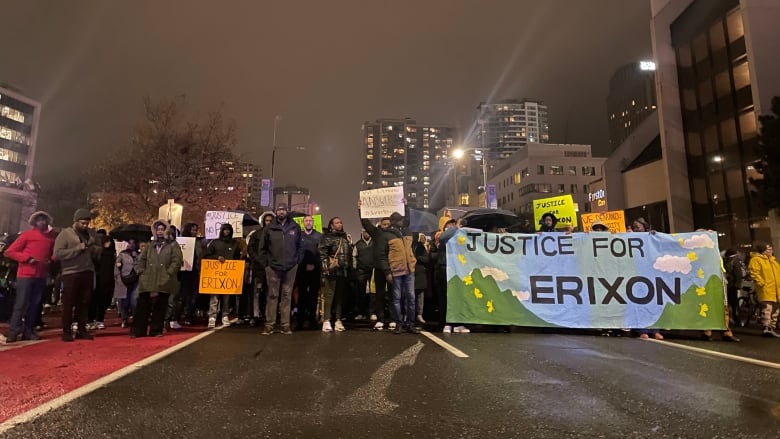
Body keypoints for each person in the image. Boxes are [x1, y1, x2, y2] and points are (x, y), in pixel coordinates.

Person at [3, 211, 56, 342]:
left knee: (35, 305)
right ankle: (13, 332)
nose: (42, 222)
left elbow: (53, 255)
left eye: (44, 219)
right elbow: (9, 252)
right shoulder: (26, 235)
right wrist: (26, 258)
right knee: (20, 304)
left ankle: (28, 331)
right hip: (25, 275)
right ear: (34, 222)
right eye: (39, 220)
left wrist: (51, 260)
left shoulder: (51, 239)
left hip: (41, 276)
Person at [53, 208, 100, 342]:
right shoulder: (65, 234)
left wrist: (96, 250)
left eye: (87, 223)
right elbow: (57, 254)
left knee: (84, 302)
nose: (85, 226)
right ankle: (66, 331)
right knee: (69, 303)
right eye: (82, 223)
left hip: (87, 271)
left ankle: (82, 329)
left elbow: (91, 251)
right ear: (75, 221)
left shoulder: (90, 235)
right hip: (71, 273)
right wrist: (77, 249)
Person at [132, 220, 183, 337]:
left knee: (160, 306)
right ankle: (138, 330)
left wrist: (168, 273)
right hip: (148, 279)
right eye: (158, 229)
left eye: (162, 229)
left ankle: (156, 330)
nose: (160, 232)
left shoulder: (173, 246)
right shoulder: (150, 246)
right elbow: (141, 260)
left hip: (164, 280)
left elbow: (177, 261)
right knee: (142, 306)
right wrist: (141, 272)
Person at [259, 203, 302, 335]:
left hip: (290, 267)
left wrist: (296, 262)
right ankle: (269, 325)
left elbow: (300, 246)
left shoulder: (295, 227)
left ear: (287, 211)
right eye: (279, 210)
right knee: (272, 296)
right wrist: (267, 264)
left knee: (287, 296)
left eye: (283, 210)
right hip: (273, 267)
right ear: (276, 212)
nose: (281, 212)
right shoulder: (269, 228)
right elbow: (262, 248)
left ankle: (285, 325)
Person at [377, 211, 419, 334]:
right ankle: (399, 324)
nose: (400, 221)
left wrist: (406, 206)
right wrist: (387, 272)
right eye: (398, 220)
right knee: (397, 298)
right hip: (396, 270)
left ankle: (410, 324)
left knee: (410, 298)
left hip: (409, 269)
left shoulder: (407, 232)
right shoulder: (386, 235)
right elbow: (382, 255)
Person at [359, 203, 394, 330]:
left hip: (392, 268)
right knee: (379, 295)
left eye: (388, 224)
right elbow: (366, 223)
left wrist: (404, 206)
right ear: (380, 225)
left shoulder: (395, 234)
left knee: (392, 295)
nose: (386, 226)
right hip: (379, 268)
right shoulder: (376, 233)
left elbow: (405, 222)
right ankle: (381, 319)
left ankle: (392, 319)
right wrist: (361, 208)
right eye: (384, 224)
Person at [435, 218, 470, 333]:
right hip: (444, 269)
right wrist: (456, 227)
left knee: (457, 296)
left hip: (456, 270)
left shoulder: (457, 234)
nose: (452, 226)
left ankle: (457, 323)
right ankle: (446, 323)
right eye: (449, 224)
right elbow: (443, 237)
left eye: (453, 224)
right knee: (446, 297)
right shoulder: (442, 235)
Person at [205, 223, 240, 328]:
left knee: (226, 297)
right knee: (214, 297)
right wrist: (217, 257)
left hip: (228, 274)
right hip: (215, 274)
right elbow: (206, 255)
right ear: (221, 231)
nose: (226, 232)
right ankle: (212, 317)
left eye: (228, 230)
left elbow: (237, 258)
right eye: (225, 230)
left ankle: (225, 315)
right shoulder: (215, 243)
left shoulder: (235, 244)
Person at [319, 217, 351, 332]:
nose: (340, 224)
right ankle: (326, 320)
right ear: (331, 225)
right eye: (337, 223)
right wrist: (325, 269)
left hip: (343, 271)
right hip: (332, 271)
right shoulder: (327, 237)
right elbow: (322, 254)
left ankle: (338, 320)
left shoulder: (345, 237)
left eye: (341, 222)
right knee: (329, 296)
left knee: (339, 297)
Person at [747, 242, 780, 338]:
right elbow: (754, 273)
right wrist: (761, 283)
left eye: (771, 249)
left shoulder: (773, 261)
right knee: (767, 308)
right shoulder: (756, 260)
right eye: (768, 249)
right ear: (762, 250)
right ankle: (767, 327)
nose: (770, 251)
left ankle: (771, 327)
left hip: (776, 289)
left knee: (776, 309)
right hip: (766, 288)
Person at [296, 215, 322, 330]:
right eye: (306, 221)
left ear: (313, 222)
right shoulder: (298, 235)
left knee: (313, 296)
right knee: (301, 296)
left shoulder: (319, 236)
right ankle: (300, 321)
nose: (308, 222)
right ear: (303, 223)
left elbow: (321, 253)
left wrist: (315, 264)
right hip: (301, 269)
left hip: (315, 270)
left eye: (310, 221)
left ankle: (312, 320)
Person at [89, 231, 116, 330]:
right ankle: (90, 320)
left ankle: (100, 319)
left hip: (108, 281)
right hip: (97, 280)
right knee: (93, 301)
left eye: (109, 242)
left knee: (104, 302)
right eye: (106, 241)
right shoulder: (98, 253)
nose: (108, 244)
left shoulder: (112, 254)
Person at [114, 238, 139, 328]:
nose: (132, 245)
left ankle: (135, 318)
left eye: (133, 243)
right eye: (130, 243)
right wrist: (118, 277)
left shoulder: (138, 254)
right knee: (124, 301)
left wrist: (136, 257)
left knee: (134, 300)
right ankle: (124, 318)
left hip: (136, 280)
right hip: (124, 279)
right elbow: (117, 266)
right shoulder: (122, 254)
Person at [353, 230, 374, 322]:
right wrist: (355, 267)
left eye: (368, 232)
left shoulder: (375, 243)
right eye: (365, 232)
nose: (367, 233)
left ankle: (372, 312)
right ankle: (361, 313)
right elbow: (354, 256)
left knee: (373, 293)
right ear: (362, 233)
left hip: (373, 271)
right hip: (361, 271)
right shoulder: (358, 244)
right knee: (360, 292)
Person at [724, 248, 747, 325]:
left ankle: (728, 318)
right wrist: (738, 284)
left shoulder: (724, 260)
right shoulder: (735, 260)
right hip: (732, 284)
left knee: (727, 302)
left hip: (725, 284)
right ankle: (736, 319)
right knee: (734, 303)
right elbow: (738, 273)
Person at [412, 232, 430, 325]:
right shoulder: (412, 246)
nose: (423, 238)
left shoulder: (422, 247)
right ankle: (410, 314)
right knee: (411, 295)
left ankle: (419, 314)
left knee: (420, 295)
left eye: (424, 237)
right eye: (421, 237)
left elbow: (426, 259)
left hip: (420, 273)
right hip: (412, 272)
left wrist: (417, 258)